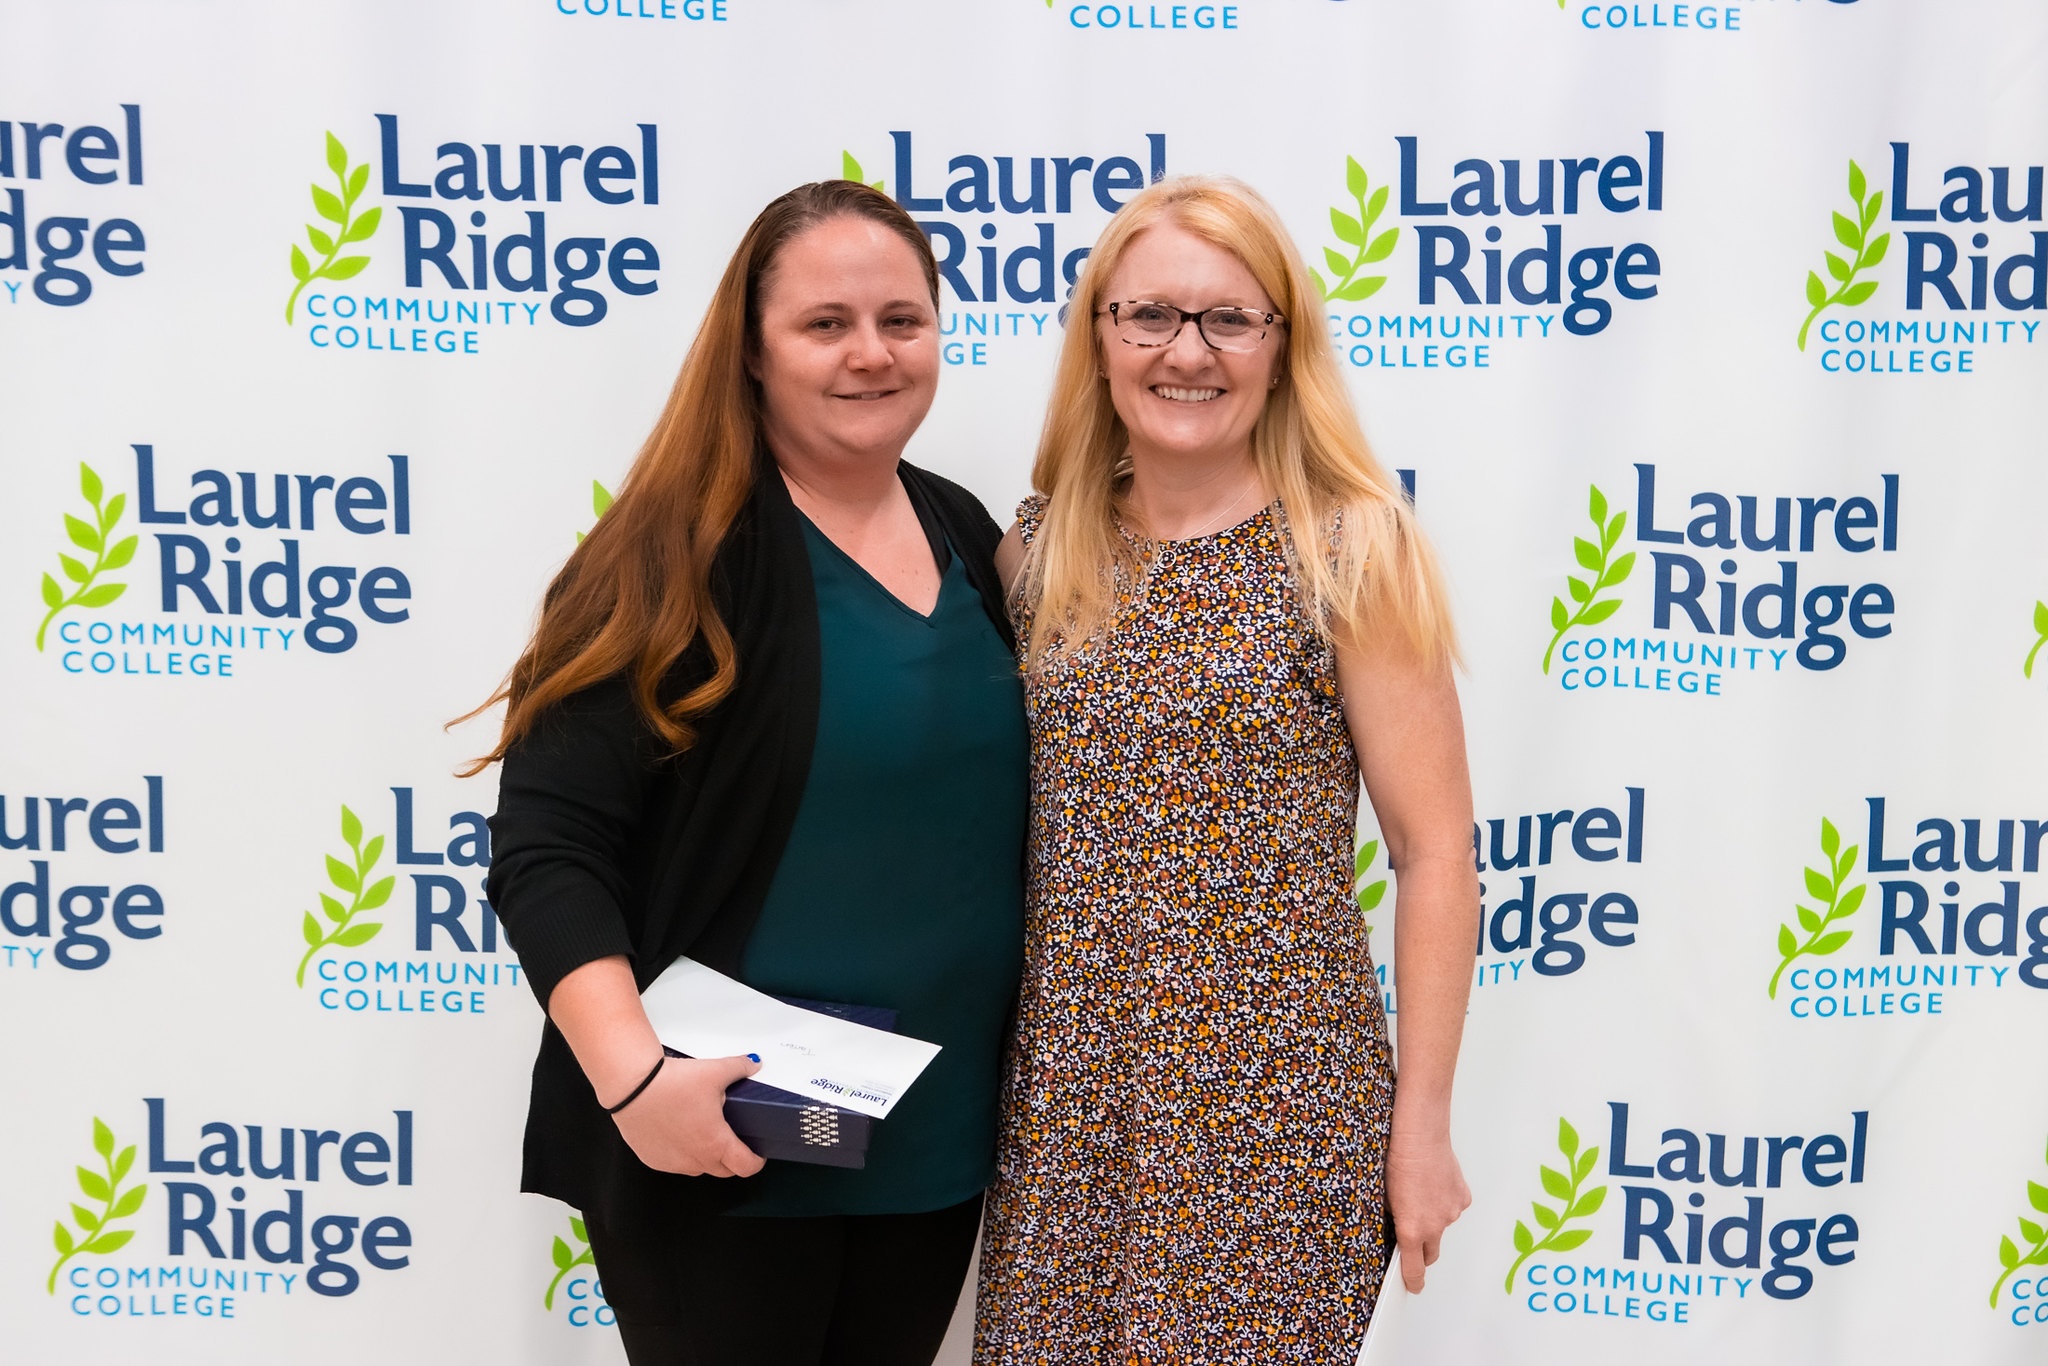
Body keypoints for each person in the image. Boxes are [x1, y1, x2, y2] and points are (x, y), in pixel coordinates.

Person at [470, 180, 1028, 1366]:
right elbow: (546, 848)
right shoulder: (667, 558)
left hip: (925, 1148)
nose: (870, 354)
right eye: (824, 323)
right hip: (719, 1145)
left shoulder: (968, 535)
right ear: (752, 351)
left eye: (901, 320)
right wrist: (632, 1083)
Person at [973, 176, 1480, 1365]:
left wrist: (1421, 1125)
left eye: (1227, 319)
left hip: (1277, 1105)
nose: (1184, 351)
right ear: (1098, 335)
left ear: (1280, 344)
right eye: (1147, 314)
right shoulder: (1037, 549)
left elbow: (1434, 851)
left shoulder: (1349, 549)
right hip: (1068, 1104)